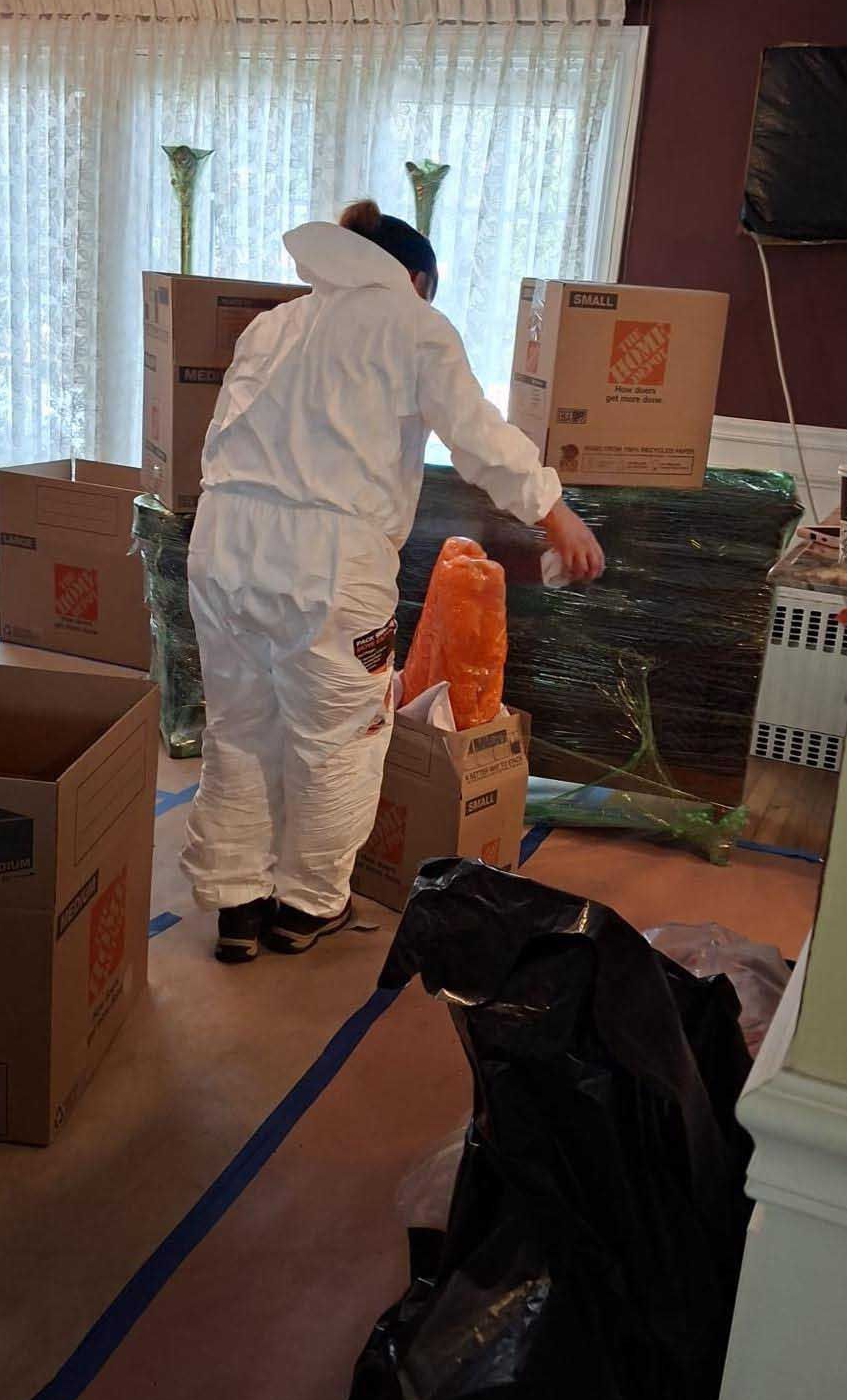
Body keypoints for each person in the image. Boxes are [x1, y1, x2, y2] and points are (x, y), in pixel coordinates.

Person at [181, 200, 605, 963]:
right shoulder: (413, 324)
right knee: (338, 734)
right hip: (327, 559)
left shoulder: (273, 325)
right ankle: (306, 908)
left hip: (222, 541)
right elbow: (478, 437)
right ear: (414, 277)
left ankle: (236, 906)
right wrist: (557, 516)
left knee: (239, 726)